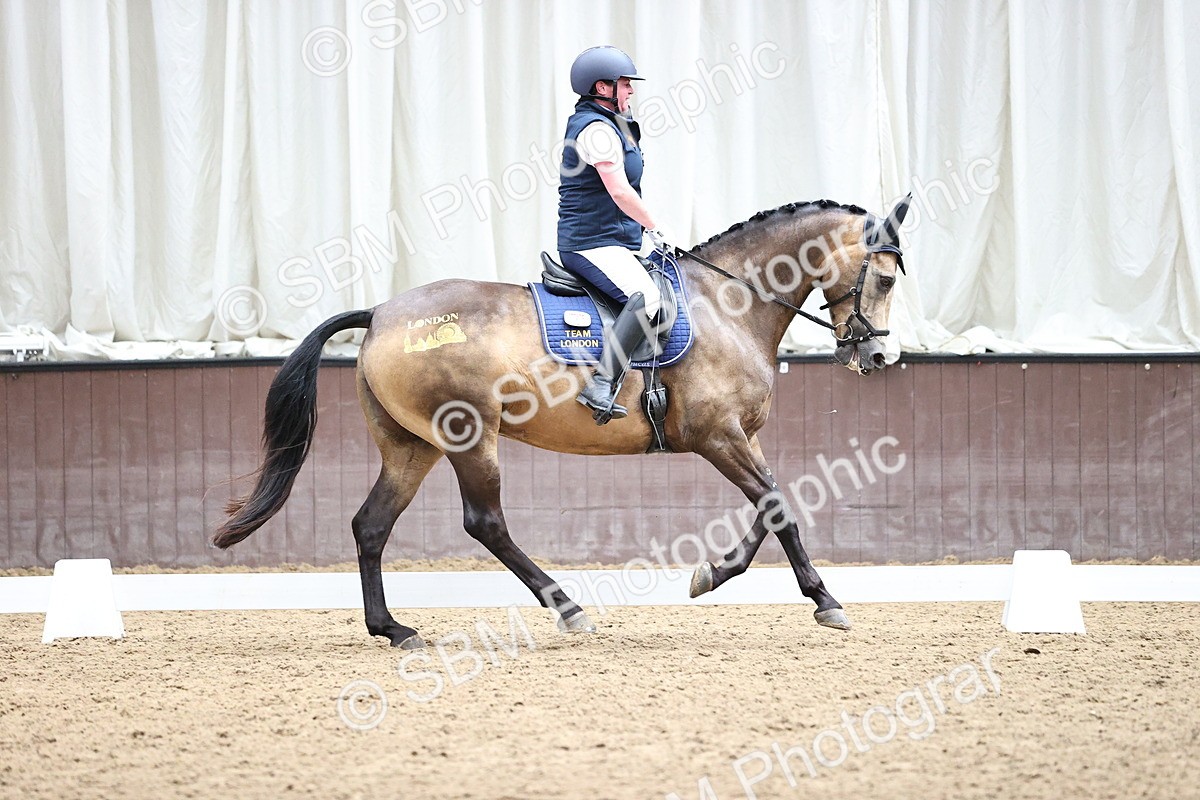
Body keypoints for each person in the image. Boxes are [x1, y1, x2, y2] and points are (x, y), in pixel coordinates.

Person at [558, 45, 672, 425]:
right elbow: (620, 191)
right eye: (625, 84)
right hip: (589, 243)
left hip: (611, 240)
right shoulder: (594, 131)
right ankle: (600, 385)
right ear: (601, 88)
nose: (631, 91)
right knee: (648, 298)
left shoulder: (612, 123)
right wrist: (655, 227)